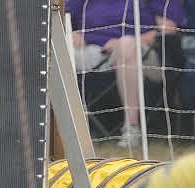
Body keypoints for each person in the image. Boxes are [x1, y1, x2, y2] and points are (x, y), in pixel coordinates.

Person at [67, 0, 185, 148]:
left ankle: (131, 127)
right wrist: (70, 32)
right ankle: (64, 129)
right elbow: (63, 17)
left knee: (126, 45)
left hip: (143, 52)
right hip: (93, 48)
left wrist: (125, 43)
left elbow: (167, 28)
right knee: (59, 45)